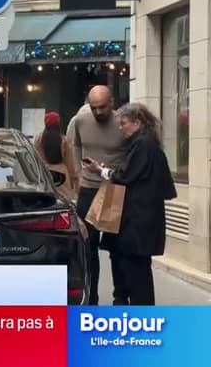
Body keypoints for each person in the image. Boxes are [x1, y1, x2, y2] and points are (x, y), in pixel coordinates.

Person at [82, 103, 176, 305]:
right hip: (141, 222)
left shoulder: (142, 145)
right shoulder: (148, 145)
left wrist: (101, 171)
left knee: (135, 275)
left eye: (123, 123)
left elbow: (125, 175)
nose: (120, 128)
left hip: (136, 224)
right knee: (134, 272)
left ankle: (138, 318)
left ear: (137, 122)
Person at [69, 85, 126, 305]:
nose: (98, 112)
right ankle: (91, 297)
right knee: (88, 246)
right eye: (94, 108)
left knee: (116, 248)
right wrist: (77, 177)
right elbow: (74, 145)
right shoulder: (80, 120)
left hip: (114, 190)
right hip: (88, 189)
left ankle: (120, 296)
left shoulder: (122, 122)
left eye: (102, 107)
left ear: (111, 103)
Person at [33, 112, 78, 200]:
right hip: (62, 175)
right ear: (58, 123)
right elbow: (70, 162)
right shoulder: (64, 140)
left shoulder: (38, 138)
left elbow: (35, 158)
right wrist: (74, 180)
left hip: (44, 173)